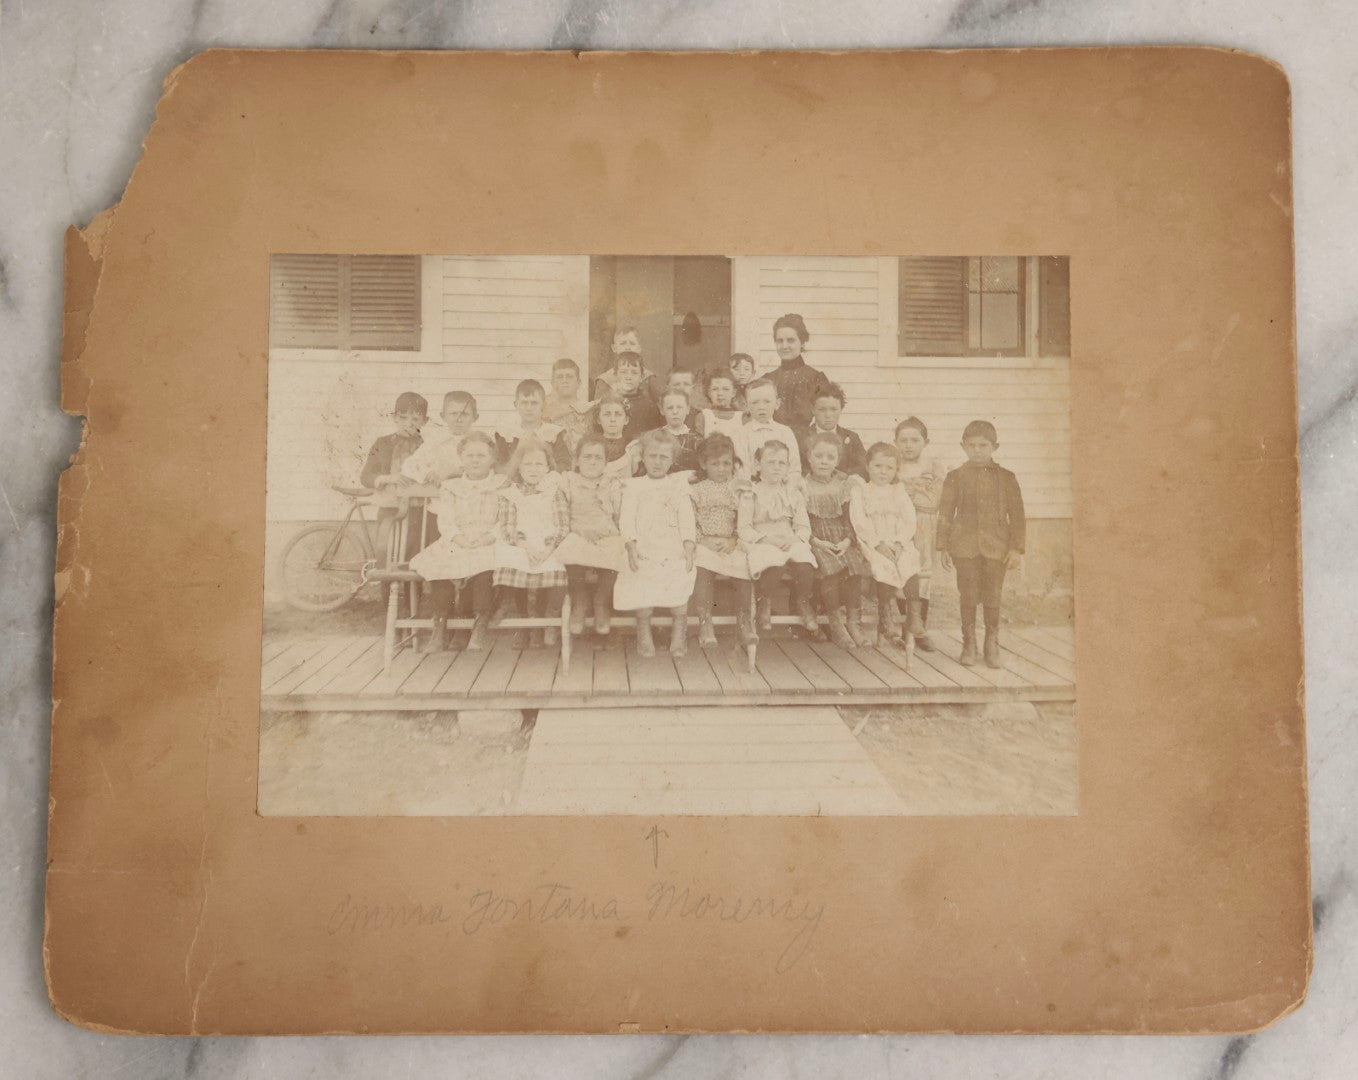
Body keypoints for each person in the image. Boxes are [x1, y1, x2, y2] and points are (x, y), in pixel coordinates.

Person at [936, 420, 1026, 668]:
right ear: (963, 446)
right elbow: (945, 512)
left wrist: (1016, 548)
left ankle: (991, 642)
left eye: (983, 445)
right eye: (972, 445)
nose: (977, 450)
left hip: (996, 547)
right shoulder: (954, 477)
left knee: (993, 596)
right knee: (967, 595)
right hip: (964, 546)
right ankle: (969, 643)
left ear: (994, 447)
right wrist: (943, 546)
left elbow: (1017, 515)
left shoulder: (1007, 478)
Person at [409, 431, 505, 652]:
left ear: (492, 459)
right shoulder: (452, 487)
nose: (475, 460)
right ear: (461, 459)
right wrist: (459, 538)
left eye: (481, 455)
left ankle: (480, 622)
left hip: (488, 540)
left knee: (484, 567)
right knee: (440, 566)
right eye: (469, 455)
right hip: (458, 540)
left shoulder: (501, 485)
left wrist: (488, 537)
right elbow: (446, 520)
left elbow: (506, 519)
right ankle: (440, 623)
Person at [614, 430, 697, 658]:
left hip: (672, 545)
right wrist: (631, 544)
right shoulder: (633, 486)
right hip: (644, 546)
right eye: (652, 456)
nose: (657, 462)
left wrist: (688, 544)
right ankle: (643, 629)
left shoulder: (678, 486)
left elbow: (686, 517)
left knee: (681, 571)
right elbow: (627, 519)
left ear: (672, 461)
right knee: (639, 573)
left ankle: (679, 630)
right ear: (642, 457)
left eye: (663, 457)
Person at [492, 439, 569, 648]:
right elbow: (507, 526)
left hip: (549, 544)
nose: (533, 469)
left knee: (555, 566)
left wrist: (547, 549)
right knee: (514, 559)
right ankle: (525, 624)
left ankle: (547, 622)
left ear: (548, 467)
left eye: (539, 464)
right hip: (521, 544)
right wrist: (524, 546)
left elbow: (562, 525)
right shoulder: (511, 493)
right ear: (518, 467)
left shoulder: (555, 492)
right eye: (528, 464)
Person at [849, 443, 924, 646]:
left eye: (889, 468)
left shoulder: (898, 491)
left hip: (898, 541)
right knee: (884, 564)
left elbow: (909, 519)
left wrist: (900, 543)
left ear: (896, 470)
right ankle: (885, 615)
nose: (883, 472)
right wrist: (878, 544)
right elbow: (859, 522)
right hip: (872, 542)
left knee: (909, 561)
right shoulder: (861, 491)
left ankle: (913, 615)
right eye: (878, 466)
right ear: (868, 466)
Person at [739, 441, 818, 635]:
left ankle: (803, 601)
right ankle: (764, 601)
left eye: (781, 463)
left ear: (788, 468)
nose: (776, 467)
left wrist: (795, 539)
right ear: (758, 465)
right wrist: (767, 539)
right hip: (763, 540)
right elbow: (744, 528)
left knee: (805, 562)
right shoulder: (751, 493)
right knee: (773, 562)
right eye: (771, 462)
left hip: (789, 539)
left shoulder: (793, 494)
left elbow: (802, 526)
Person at [803, 432, 874, 648]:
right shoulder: (803, 485)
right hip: (815, 540)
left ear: (837, 459)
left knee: (853, 568)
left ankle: (854, 621)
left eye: (830, 457)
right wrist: (816, 541)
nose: (824, 461)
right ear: (809, 457)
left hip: (841, 537)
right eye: (819, 456)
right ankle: (836, 623)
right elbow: (801, 520)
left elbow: (850, 517)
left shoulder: (845, 483)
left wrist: (847, 541)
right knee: (830, 571)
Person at [554, 435, 626, 638]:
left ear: (606, 462)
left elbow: (619, 513)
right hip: (578, 533)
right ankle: (580, 599)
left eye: (598, 458)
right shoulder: (568, 481)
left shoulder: (612, 483)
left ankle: (601, 602)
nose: (592, 462)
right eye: (587, 457)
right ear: (576, 460)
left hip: (606, 535)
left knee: (616, 550)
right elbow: (562, 512)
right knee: (570, 549)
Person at [687, 434, 755, 648]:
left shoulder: (739, 488)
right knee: (702, 566)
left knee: (745, 564)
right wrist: (702, 540)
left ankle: (744, 621)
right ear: (703, 464)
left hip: (731, 542)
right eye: (715, 464)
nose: (721, 468)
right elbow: (690, 519)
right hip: (705, 542)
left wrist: (734, 539)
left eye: (726, 463)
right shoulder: (697, 490)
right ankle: (705, 620)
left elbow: (744, 518)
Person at [894, 416, 947, 652]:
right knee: (901, 574)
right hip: (897, 525)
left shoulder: (934, 468)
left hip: (925, 525)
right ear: (895, 442)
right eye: (903, 440)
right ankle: (907, 626)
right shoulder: (892, 467)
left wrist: (912, 496)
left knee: (923, 575)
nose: (908, 445)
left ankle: (919, 628)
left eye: (914, 440)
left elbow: (933, 500)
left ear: (925, 441)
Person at [401, 391, 479, 485]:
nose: (459, 419)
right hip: (440, 495)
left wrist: (451, 473)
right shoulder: (436, 441)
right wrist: (427, 473)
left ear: (475, 417)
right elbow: (409, 465)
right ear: (443, 416)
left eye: (465, 414)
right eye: (454, 413)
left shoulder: (480, 441)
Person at [766, 313, 830, 428]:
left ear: (802, 343)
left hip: (806, 442)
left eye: (791, 340)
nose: (784, 346)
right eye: (780, 341)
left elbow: (827, 417)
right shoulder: (768, 380)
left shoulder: (816, 378)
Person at [733, 378, 802, 478]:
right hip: (753, 488)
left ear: (777, 404)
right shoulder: (741, 434)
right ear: (746, 406)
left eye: (767, 401)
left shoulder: (785, 432)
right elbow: (741, 470)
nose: (761, 407)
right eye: (755, 402)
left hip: (782, 488)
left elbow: (794, 469)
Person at [798, 382, 867, 479]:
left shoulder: (851, 437)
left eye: (833, 409)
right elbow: (797, 468)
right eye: (822, 409)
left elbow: (863, 466)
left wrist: (845, 476)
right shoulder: (801, 437)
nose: (828, 415)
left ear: (841, 409)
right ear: (813, 410)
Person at [360, 391, 427, 489]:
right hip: (388, 500)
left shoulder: (427, 446)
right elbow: (365, 477)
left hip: (419, 500)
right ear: (394, 417)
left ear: (425, 421)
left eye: (415, 419)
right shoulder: (382, 443)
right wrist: (388, 479)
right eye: (403, 418)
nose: (409, 424)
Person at [495, 379, 565, 472]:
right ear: (516, 405)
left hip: (547, 483)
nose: (529, 408)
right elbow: (500, 469)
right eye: (524, 403)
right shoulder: (507, 435)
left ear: (543, 405)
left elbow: (564, 466)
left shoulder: (554, 434)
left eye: (534, 403)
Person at [636, 388, 702, 474]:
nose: (675, 412)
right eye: (670, 408)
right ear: (662, 410)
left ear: (687, 409)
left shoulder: (697, 441)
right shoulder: (653, 438)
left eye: (680, 407)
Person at [593, 326, 663, 404]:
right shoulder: (605, 380)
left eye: (632, 343)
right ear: (614, 348)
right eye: (623, 343)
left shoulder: (648, 378)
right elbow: (597, 409)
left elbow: (661, 406)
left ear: (639, 348)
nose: (627, 347)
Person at [543, 358, 595, 458]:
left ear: (579, 383)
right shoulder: (544, 412)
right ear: (552, 383)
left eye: (569, 376)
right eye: (560, 377)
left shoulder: (588, 410)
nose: (565, 380)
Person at [609, 351, 664, 442]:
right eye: (623, 372)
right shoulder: (608, 403)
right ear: (615, 376)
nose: (628, 377)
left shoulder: (649, 406)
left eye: (634, 373)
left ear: (641, 377)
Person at [696, 370, 746, 442]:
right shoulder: (703, 416)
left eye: (725, 389)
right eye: (715, 389)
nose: (720, 393)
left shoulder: (742, 418)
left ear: (733, 393)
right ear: (709, 393)